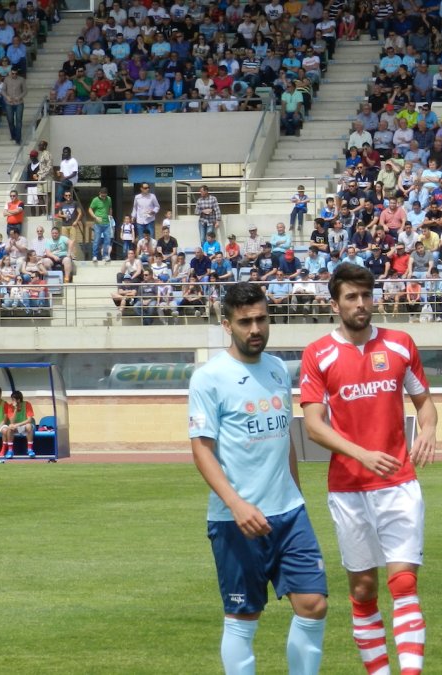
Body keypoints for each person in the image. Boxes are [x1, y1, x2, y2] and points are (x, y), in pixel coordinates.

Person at [300, 263, 437, 675]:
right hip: (348, 487)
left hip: (398, 482)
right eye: (351, 297)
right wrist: (361, 454)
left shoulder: (399, 344)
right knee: (362, 589)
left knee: (404, 584)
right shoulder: (318, 354)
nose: (361, 304)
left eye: (366, 295)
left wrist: (428, 430)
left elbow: (424, 403)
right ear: (335, 303)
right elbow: (313, 426)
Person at [187, 281, 327, 675]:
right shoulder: (209, 378)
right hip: (236, 520)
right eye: (245, 321)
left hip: (290, 514)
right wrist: (236, 504)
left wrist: (297, 497)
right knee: (243, 617)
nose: (255, 329)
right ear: (226, 324)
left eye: (262, 319)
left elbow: (286, 440)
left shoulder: (279, 369)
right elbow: (201, 450)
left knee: (314, 604)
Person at [6, 390, 36, 457]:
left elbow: (29, 420)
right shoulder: (10, 406)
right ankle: (10, 451)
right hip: (17, 428)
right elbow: (12, 422)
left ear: (18, 400)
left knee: (28, 426)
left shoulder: (27, 404)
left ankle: (30, 449)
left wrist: (17, 424)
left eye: (13, 400)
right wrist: (15, 409)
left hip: (25, 427)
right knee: (9, 427)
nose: (12, 401)